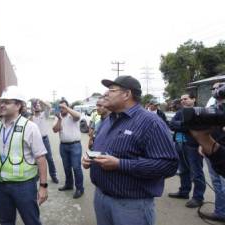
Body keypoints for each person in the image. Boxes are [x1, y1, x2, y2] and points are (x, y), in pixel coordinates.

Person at [82, 75, 178, 225]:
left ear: (127, 94)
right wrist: (90, 158)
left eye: (112, 90)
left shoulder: (150, 123)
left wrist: (120, 164)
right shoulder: (108, 120)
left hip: (131, 206)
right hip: (101, 197)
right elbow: (100, 148)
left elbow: (168, 165)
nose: (106, 94)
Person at [0, 86, 48, 225]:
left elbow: (41, 158)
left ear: (18, 105)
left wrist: (43, 186)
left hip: (24, 186)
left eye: (7, 102)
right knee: (5, 222)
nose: (2, 105)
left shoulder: (30, 127)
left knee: (31, 221)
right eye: (2, 101)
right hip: (2, 186)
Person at [187, 82, 225, 222]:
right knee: (217, 182)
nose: (216, 91)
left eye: (219, 88)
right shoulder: (212, 107)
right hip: (215, 150)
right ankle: (221, 212)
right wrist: (204, 142)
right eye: (214, 89)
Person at [168, 93, 206, 208]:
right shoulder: (180, 112)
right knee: (183, 170)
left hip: (193, 146)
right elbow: (171, 125)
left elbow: (199, 128)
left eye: (186, 98)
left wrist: (184, 125)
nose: (183, 101)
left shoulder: (200, 112)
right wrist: (187, 125)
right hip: (179, 144)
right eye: (181, 99)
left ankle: (198, 197)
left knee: (196, 172)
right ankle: (184, 192)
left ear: (193, 99)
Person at [52, 99, 84, 199]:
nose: (62, 109)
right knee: (66, 167)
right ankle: (69, 184)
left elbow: (78, 116)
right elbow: (55, 130)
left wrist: (67, 108)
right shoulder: (58, 117)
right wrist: (59, 119)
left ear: (68, 106)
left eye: (64, 107)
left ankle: (79, 188)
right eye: (60, 107)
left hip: (75, 145)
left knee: (76, 167)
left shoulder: (72, 115)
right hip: (63, 146)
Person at [30, 99, 59, 184]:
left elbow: (49, 106)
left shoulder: (44, 114)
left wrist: (40, 100)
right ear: (33, 107)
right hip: (35, 140)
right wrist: (33, 109)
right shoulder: (31, 118)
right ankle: (37, 176)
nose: (37, 106)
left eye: (38, 105)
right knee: (36, 159)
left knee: (49, 158)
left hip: (45, 139)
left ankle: (53, 176)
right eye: (35, 105)